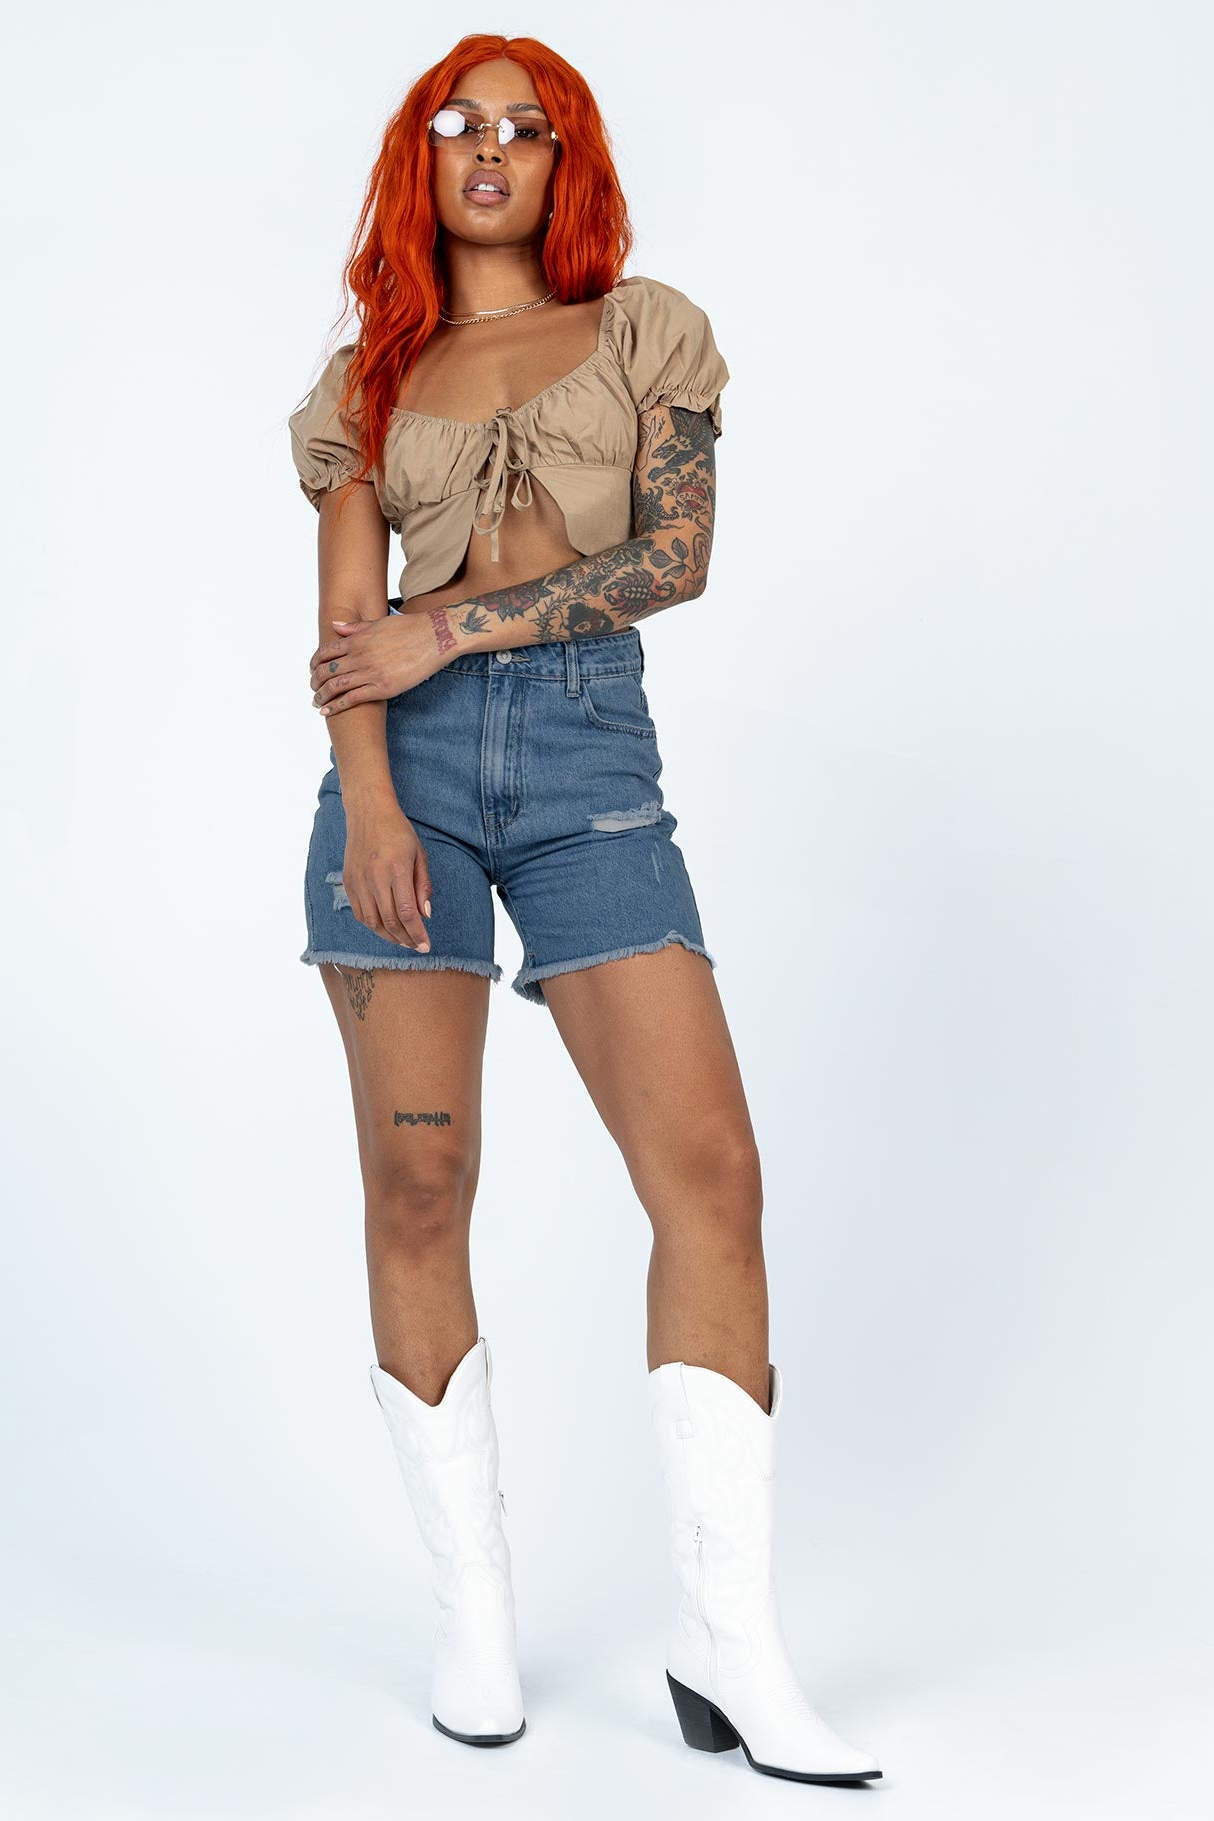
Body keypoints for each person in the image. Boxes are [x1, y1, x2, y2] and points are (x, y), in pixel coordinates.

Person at [287, 32, 882, 1785]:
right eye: (456, 124)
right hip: (400, 778)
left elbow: (673, 561)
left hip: (585, 760)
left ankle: (730, 1642)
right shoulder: (367, 378)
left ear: (567, 164)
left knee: (709, 1172)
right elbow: (345, 637)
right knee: (420, 1183)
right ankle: (473, 1616)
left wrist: (453, 625)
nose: (489, 148)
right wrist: (371, 802)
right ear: (420, 158)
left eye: (525, 129)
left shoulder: (641, 332)